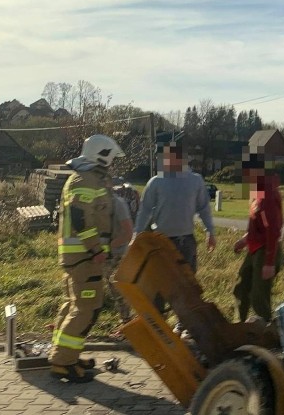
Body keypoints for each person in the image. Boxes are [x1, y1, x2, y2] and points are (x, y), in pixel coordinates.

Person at [48, 134, 124, 383]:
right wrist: (96, 250)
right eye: (110, 158)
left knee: (74, 306)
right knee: (86, 308)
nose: (111, 163)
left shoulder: (89, 178)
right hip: (85, 256)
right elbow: (82, 220)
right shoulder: (85, 180)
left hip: (81, 255)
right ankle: (63, 363)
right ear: (101, 155)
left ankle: (64, 355)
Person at [134, 142, 216, 272]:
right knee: (162, 284)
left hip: (186, 242)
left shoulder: (195, 180)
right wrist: (137, 235)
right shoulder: (156, 182)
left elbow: (204, 208)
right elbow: (145, 210)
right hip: (161, 243)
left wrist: (210, 232)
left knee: (187, 285)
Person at [233, 153, 283, 322]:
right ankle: (239, 327)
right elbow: (257, 223)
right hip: (254, 247)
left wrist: (269, 262)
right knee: (241, 287)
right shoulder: (256, 190)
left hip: (267, 249)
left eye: (246, 171)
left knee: (258, 296)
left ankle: (267, 334)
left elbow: (272, 230)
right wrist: (244, 239)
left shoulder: (266, 193)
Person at [105, 190, 135, 335]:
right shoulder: (96, 203)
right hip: (102, 256)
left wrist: (108, 247)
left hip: (116, 255)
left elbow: (128, 233)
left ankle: (127, 327)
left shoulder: (118, 203)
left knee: (120, 293)